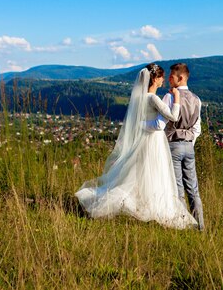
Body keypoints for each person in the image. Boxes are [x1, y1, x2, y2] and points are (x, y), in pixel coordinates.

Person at [75, 63, 197, 229]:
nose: (163, 80)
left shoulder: (139, 98)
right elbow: (173, 117)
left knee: (140, 174)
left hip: (142, 141)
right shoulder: (153, 98)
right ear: (154, 78)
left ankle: (140, 204)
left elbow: (136, 121)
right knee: (155, 173)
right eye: (161, 77)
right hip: (154, 141)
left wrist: (141, 123)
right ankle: (152, 207)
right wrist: (176, 98)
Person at [145, 63, 205, 231]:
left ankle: (184, 225)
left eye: (172, 76)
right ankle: (200, 226)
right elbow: (197, 128)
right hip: (189, 146)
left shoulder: (169, 97)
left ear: (181, 78)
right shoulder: (196, 99)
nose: (169, 79)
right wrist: (189, 143)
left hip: (173, 145)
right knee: (193, 188)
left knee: (177, 187)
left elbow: (161, 124)